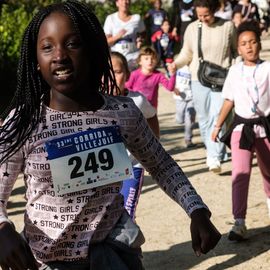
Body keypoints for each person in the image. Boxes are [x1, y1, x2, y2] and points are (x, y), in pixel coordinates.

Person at [0, 1, 221, 269]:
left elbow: (161, 165)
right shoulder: (25, 121)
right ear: (36, 61)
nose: (59, 55)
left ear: (93, 51)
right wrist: (3, 230)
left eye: (72, 44)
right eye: (47, 47)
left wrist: (196, 210)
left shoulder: (122, 112)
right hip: (45, 261)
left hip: (115, 256)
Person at [211, 21, 270, 241]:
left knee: (268, 173)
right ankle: (239, 223)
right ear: (238, 48)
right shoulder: (234, 71)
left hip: (265, 128)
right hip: (241, 129)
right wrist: (218, 125)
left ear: (259, 44)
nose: (249, 47)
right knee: (240, 174)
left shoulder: (267, 69)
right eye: (244, 43)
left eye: (253, 42)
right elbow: (229, 100)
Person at [172, 0, 238, 173]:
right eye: (199, 15)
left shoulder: (228, 26)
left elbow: (236, 51)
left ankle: (214, 155)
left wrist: (239, 70)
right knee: (204, 118)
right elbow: (186, 53)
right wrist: (175, 65)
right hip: (198, 77)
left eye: (206, 15)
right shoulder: (193, 28)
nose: (203, 18)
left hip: (223, 78)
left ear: (214, 10)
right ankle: (213, 152)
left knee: (219, 116)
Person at [111, 51, 159, 220]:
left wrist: (154, 143)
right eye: (105, 72)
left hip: (133, 167)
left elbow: (152, 116)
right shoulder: (94, 103)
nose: (111, 77)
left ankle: (124, 246)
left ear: (127, 74)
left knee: (126, 214)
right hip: (105, 172)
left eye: (117, 72)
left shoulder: (137, 100)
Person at [125, 46, 177, 137]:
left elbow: (170, 87)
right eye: (146, 58)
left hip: (151, 111)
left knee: (152, 134)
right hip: (136, 108)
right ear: (140, 61)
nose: (150, 61)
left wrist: (173, 74)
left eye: (152, 58)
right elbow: (126, 89)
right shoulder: (134, 75)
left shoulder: (158, 75)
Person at [103, 0, 146, 71]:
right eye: (122, 0)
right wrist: (117, 36)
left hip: (134, 57)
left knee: (133, 80)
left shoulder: (136, 18)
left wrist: (140, 40)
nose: (125, 2)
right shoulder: (111, 18)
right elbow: (106, 42)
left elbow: (143, 33)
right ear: (117, 3)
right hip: (117, 57)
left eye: (127, 0)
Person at [173, 65, 196, 148]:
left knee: (189, 120)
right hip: (180, 97)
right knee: (180, 120)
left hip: (192, 97)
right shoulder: (178, 65)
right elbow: (170, 78)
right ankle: (179, 119)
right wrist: (174, 88)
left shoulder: (194, 66)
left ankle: (188, 139)